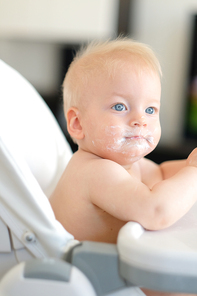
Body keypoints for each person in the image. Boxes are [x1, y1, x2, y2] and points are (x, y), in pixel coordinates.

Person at [50, 38, 197, 296]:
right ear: (77, 123)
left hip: (118, 272)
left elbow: (162, 174)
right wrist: (193, 171)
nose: (141, 119)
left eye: (151, 109)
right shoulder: (93, 171)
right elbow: (156, 210)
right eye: (120, 106)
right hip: (96, 282)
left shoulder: (132, 164)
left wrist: (189, 164)